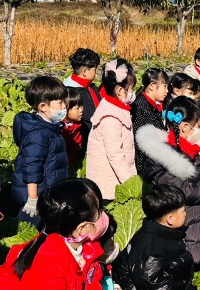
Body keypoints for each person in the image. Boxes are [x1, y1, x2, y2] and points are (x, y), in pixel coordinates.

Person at [136, 97, 200, 267]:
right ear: (185, 126)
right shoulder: (162, 155)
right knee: (187, 269)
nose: (199, 131)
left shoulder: (189, 150)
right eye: (198, 126)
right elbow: (179, 188)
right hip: (184, 227)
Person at [112, 184, 194, 290]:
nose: (185, 213)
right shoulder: (151, 248)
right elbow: (155, 286)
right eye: (183, 210)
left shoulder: (160, 232)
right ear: (170, 219)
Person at [12, 76, 70, 225]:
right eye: (60, 102)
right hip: (37, 195)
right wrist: (32, 199)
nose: (64, 106)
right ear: (43, 107)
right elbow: (32, 167)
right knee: (30, 232)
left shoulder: (51, 127)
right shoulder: (38, 134)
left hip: (48, 192)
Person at [87, 59, 137, 203]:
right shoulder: (110, 118)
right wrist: (130, 184)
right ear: (120, 91)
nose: (133, 93)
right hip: (108, 186)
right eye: (131, 88)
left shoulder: (115, 107)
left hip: (115, 180)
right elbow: (115, 155)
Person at [131, 67, 169, 173]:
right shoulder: (140, 107)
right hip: (145, 165)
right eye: (165, 86)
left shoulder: (153, 105)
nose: (167, 91)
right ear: (152, 86)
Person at [63, 47, 102, 136]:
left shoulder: (92, 87)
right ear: (84, 71)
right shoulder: (70, 92)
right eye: (94, 70)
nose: (95, 73)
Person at [61, 87, 86, 173]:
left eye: (81, 106)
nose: (81, 110)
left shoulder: (77, 125)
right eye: (77, 108)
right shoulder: (58, 127)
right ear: (65, 109)